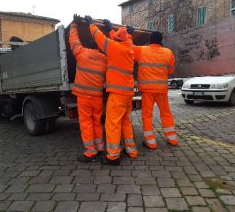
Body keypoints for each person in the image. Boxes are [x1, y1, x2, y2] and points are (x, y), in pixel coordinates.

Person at [85, 15, 138, 166]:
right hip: (127, 93)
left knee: (112, 123)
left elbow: (101, 39)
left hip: (118, 93)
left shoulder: (115, 49)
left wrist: (91, 25)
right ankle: (131, 149)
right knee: (125, 121)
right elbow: (117, 40)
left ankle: (113, 156)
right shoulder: (129, 49)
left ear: (118, 40)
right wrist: (111, 29)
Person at [69, 14, 107, 163]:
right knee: (97, 123)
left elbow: (73, 41)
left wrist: (74, 25)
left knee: (86, 123)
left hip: (84, 97)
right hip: (97, 97)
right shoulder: (104, 59)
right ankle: (100, 148)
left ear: (88, 46)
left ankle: (91, 153)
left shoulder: (81, 53)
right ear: (98, 47)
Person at [131, 30, 178, 149]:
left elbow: (128, 48)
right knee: (166, 113)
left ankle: (151, 142)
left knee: (147, 115)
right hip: (162, 90)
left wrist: (129, 34)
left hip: (147, 90)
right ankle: (172, 139)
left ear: (150, 40)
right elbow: (171, 70)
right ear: (161, 40)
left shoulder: (142, 50)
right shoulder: (168, 52)